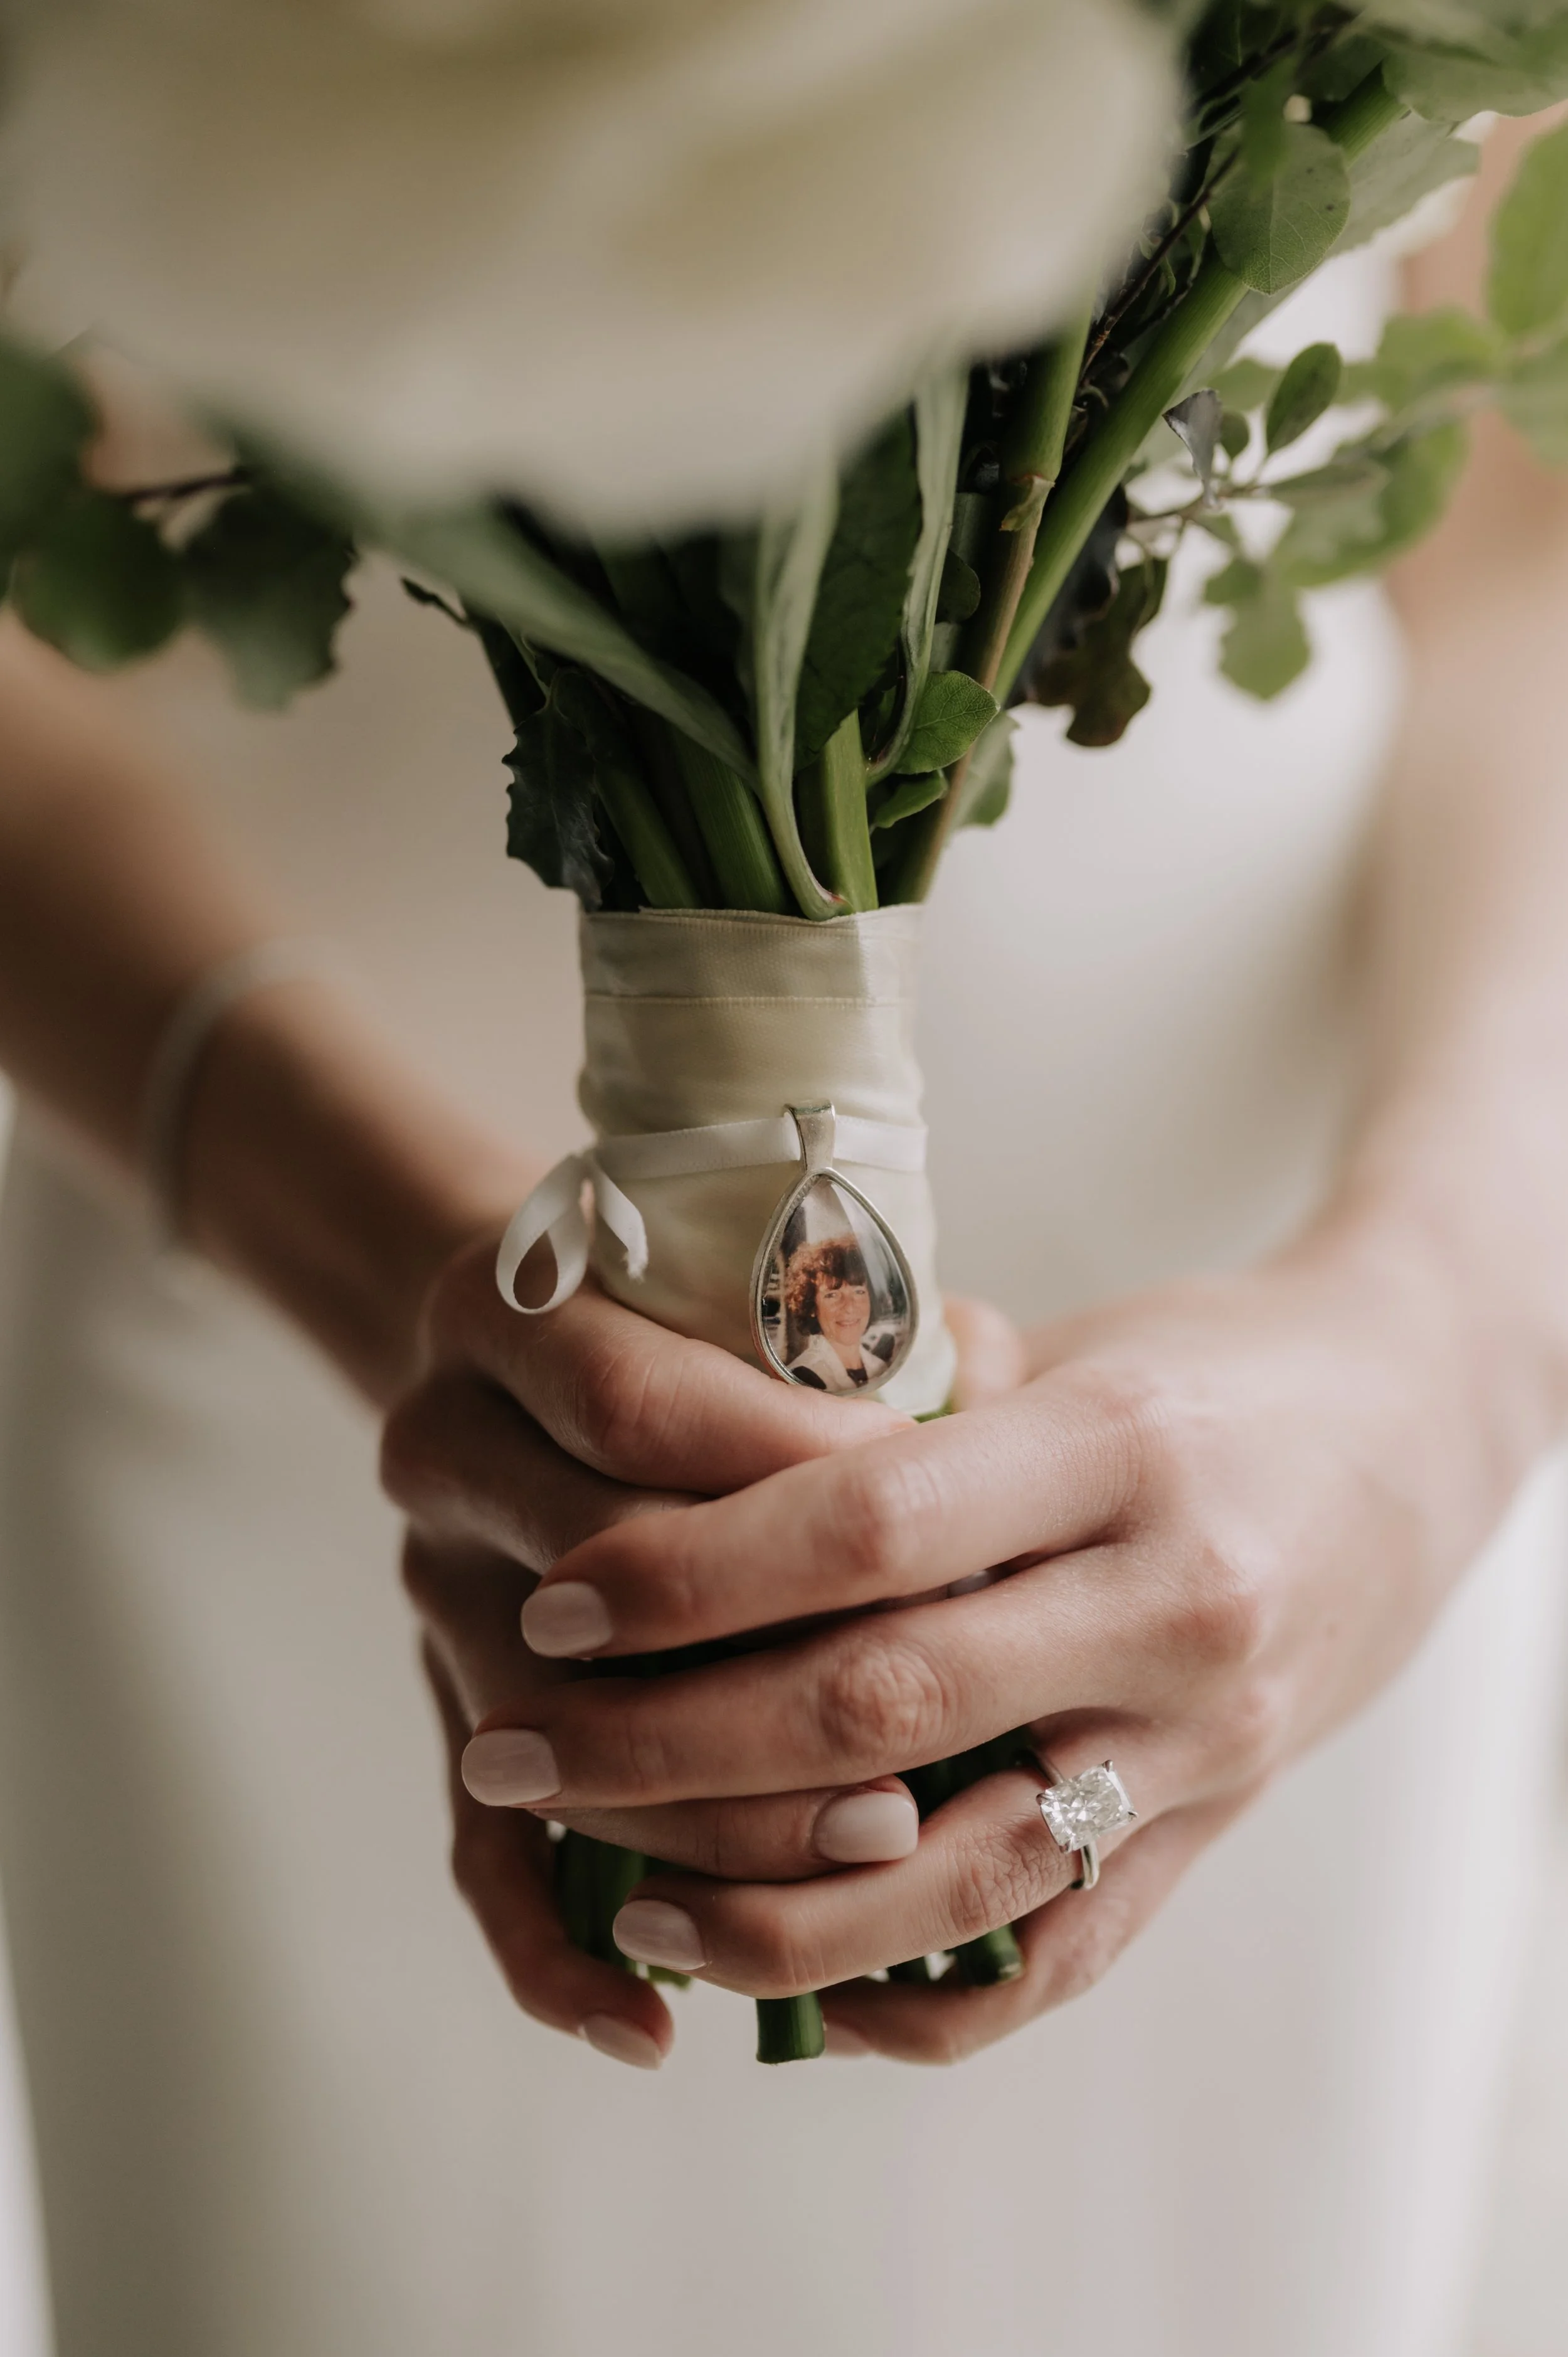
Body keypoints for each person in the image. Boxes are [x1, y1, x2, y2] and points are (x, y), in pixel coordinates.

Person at [0, 127, 1564, 2357]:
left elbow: (1530, 492)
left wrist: (1446, 1343)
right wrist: (374, 1251)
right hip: (263, 1234)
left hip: (1297, 1334)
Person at [781, 1234, 896, 1392]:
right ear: (812, 1307)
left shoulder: (881, 1367)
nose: (849, 1307)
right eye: (832, 1295)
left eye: (859, 1291)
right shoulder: (804, 1377)